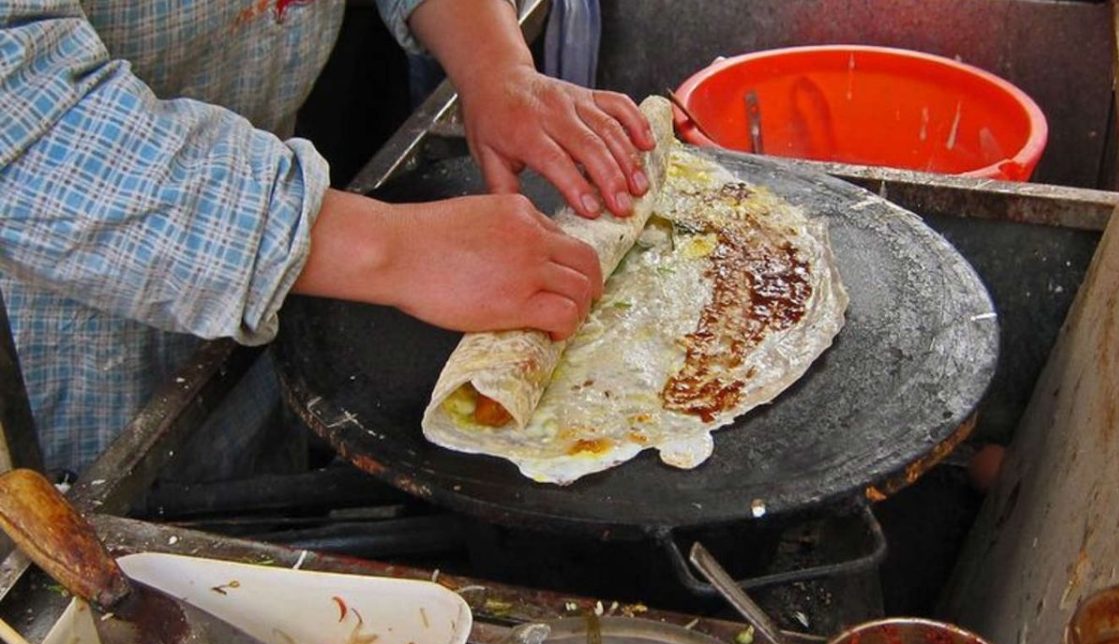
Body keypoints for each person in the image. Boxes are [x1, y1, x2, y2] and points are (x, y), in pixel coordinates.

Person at [0, 0, 654, 480]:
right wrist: (394, 249)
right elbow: (24, 133)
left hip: (284, 298)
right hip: (64, 370)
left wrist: (495, 65)